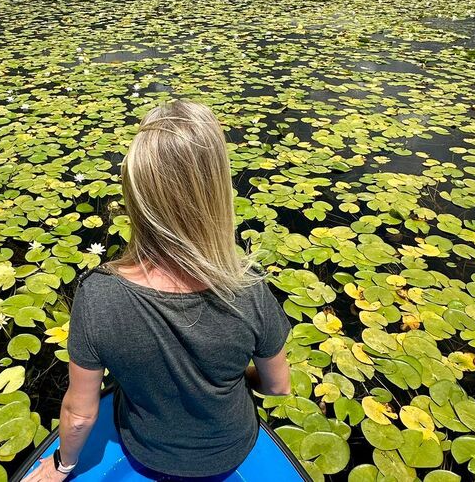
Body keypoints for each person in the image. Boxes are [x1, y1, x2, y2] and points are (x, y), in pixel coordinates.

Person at [23, 99, 292, 481]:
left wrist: (62, 465)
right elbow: (278, 386)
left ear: (136, 191)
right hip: (231, 448)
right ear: (218, 191)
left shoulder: (97, 295)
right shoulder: (250, 288)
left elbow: (80, 415)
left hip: (146, 450)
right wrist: (238, 377)